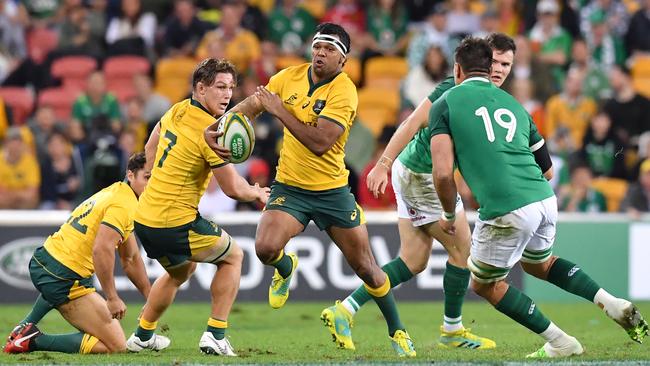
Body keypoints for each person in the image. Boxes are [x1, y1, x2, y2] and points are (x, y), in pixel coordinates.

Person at [204, 23, 416, 357]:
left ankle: (398, 331)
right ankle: (286, 267)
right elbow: (251, 105)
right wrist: (216, 127)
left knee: (367, 268)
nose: (320, 53)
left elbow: (320, 142)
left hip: (332, 191)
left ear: (343, 60)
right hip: (291, 186)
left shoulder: (345, 91)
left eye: (329, 50)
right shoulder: (287, 77)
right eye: (317, 46)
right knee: (264, 248)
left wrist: (280, 110)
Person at [428, 36, 648, 358]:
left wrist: (449, 214)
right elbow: (547, 170)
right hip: (544, 198)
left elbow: (443, 173)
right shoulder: (516, 106)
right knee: (539, 263)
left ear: (457, 69)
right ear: (489, 68)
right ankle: (610, 301)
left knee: (483, 284)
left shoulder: (445, 102)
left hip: (507, 206)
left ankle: (561, 342)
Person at [320, 33, 516, 351]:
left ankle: (345, 310)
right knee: (463, 252)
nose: (499, 69)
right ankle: (452, 330)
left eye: (506, 64)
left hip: (416, 173)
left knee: (412, 260)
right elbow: (411, 123)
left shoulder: (493, 99)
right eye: (494, 61)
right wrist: (383, 163)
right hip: (422, 175)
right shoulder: (453, 89)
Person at [126, 58, 269, 357]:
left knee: (181, 271)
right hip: (174, 221)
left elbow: (150, 147)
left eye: (230, 88)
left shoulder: (176, 109)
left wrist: (153, 182)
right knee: (233, 256)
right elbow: (232, 188)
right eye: (219, 87)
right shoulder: (210, 130)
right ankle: (216, 334)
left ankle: (142, 334)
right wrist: (257, 191)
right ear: (200, 88)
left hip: (145, 218)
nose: (227, 94)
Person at [4, 153, 156, 354]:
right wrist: (112, 297)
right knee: (117, 346)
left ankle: (25, 326)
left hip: (48, 258)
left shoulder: (117, 192)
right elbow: (101, 250)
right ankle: (32, 341)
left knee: (66, 291)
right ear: (130, 174)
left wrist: (150, 298)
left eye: (156, 179)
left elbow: (130, 258)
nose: (152, 184)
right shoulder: (124, 204)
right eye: (147, 177)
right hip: (64, 275)